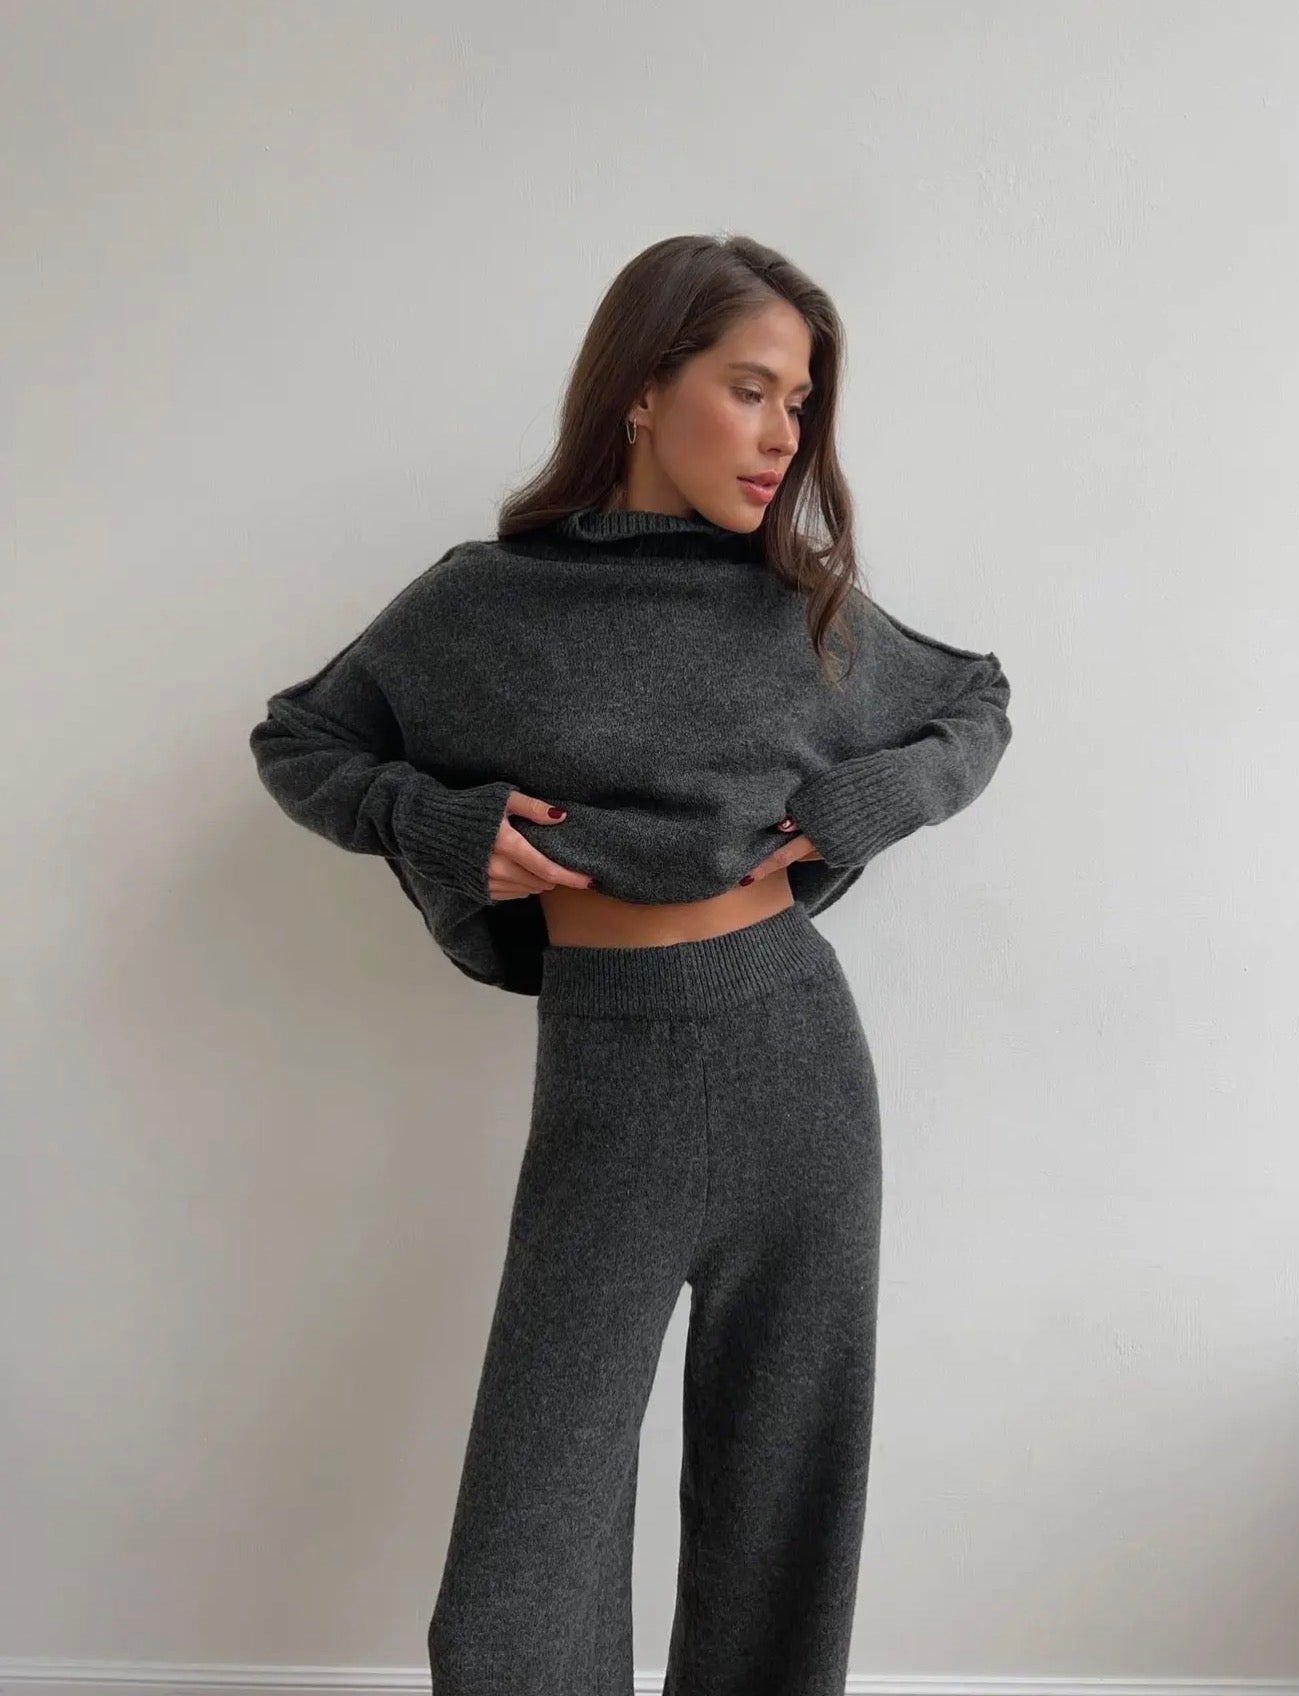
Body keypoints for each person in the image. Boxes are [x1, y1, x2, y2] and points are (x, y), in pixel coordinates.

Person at [248, 232, 1013, 1695]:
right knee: (513, 1585)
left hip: (796, 1059)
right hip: (608, 1079)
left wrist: (883, 795)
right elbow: (302, 738)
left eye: (801, 403)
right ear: (644, 390)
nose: (784, 436)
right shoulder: (483, 603)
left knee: (782, 1502)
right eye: (751, 389)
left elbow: (975, 701)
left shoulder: (799, 606)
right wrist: (433, 821)